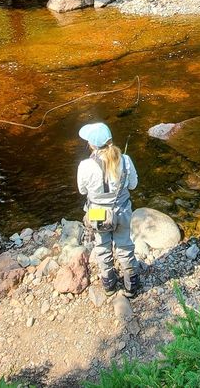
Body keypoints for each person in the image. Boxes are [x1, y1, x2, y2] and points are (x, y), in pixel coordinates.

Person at [77, 122, 140, 296]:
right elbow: (133, 185)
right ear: (110, 140)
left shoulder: (84, 166)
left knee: (102, 246)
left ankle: (109, 285)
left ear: (91, 144)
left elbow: (83, 191)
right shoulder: (125, 160)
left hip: (97, 212)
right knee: (125, 246)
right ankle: (131, 285)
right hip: (121, 211)